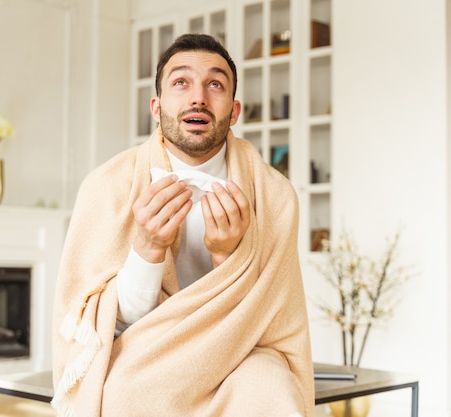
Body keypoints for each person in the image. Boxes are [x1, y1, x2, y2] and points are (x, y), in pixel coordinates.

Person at [51, 33, 314, 417]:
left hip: (243, 351)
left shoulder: (275, 196)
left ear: (234, 110)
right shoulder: (106, 187)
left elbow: (274, 320)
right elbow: (96, 324)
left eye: (215, 84)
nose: (198, 98)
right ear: (156, 107)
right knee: (124, 392)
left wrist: (229, 257)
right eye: (181, 82)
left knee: (271, 388)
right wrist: (148, 249)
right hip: (147, 351)